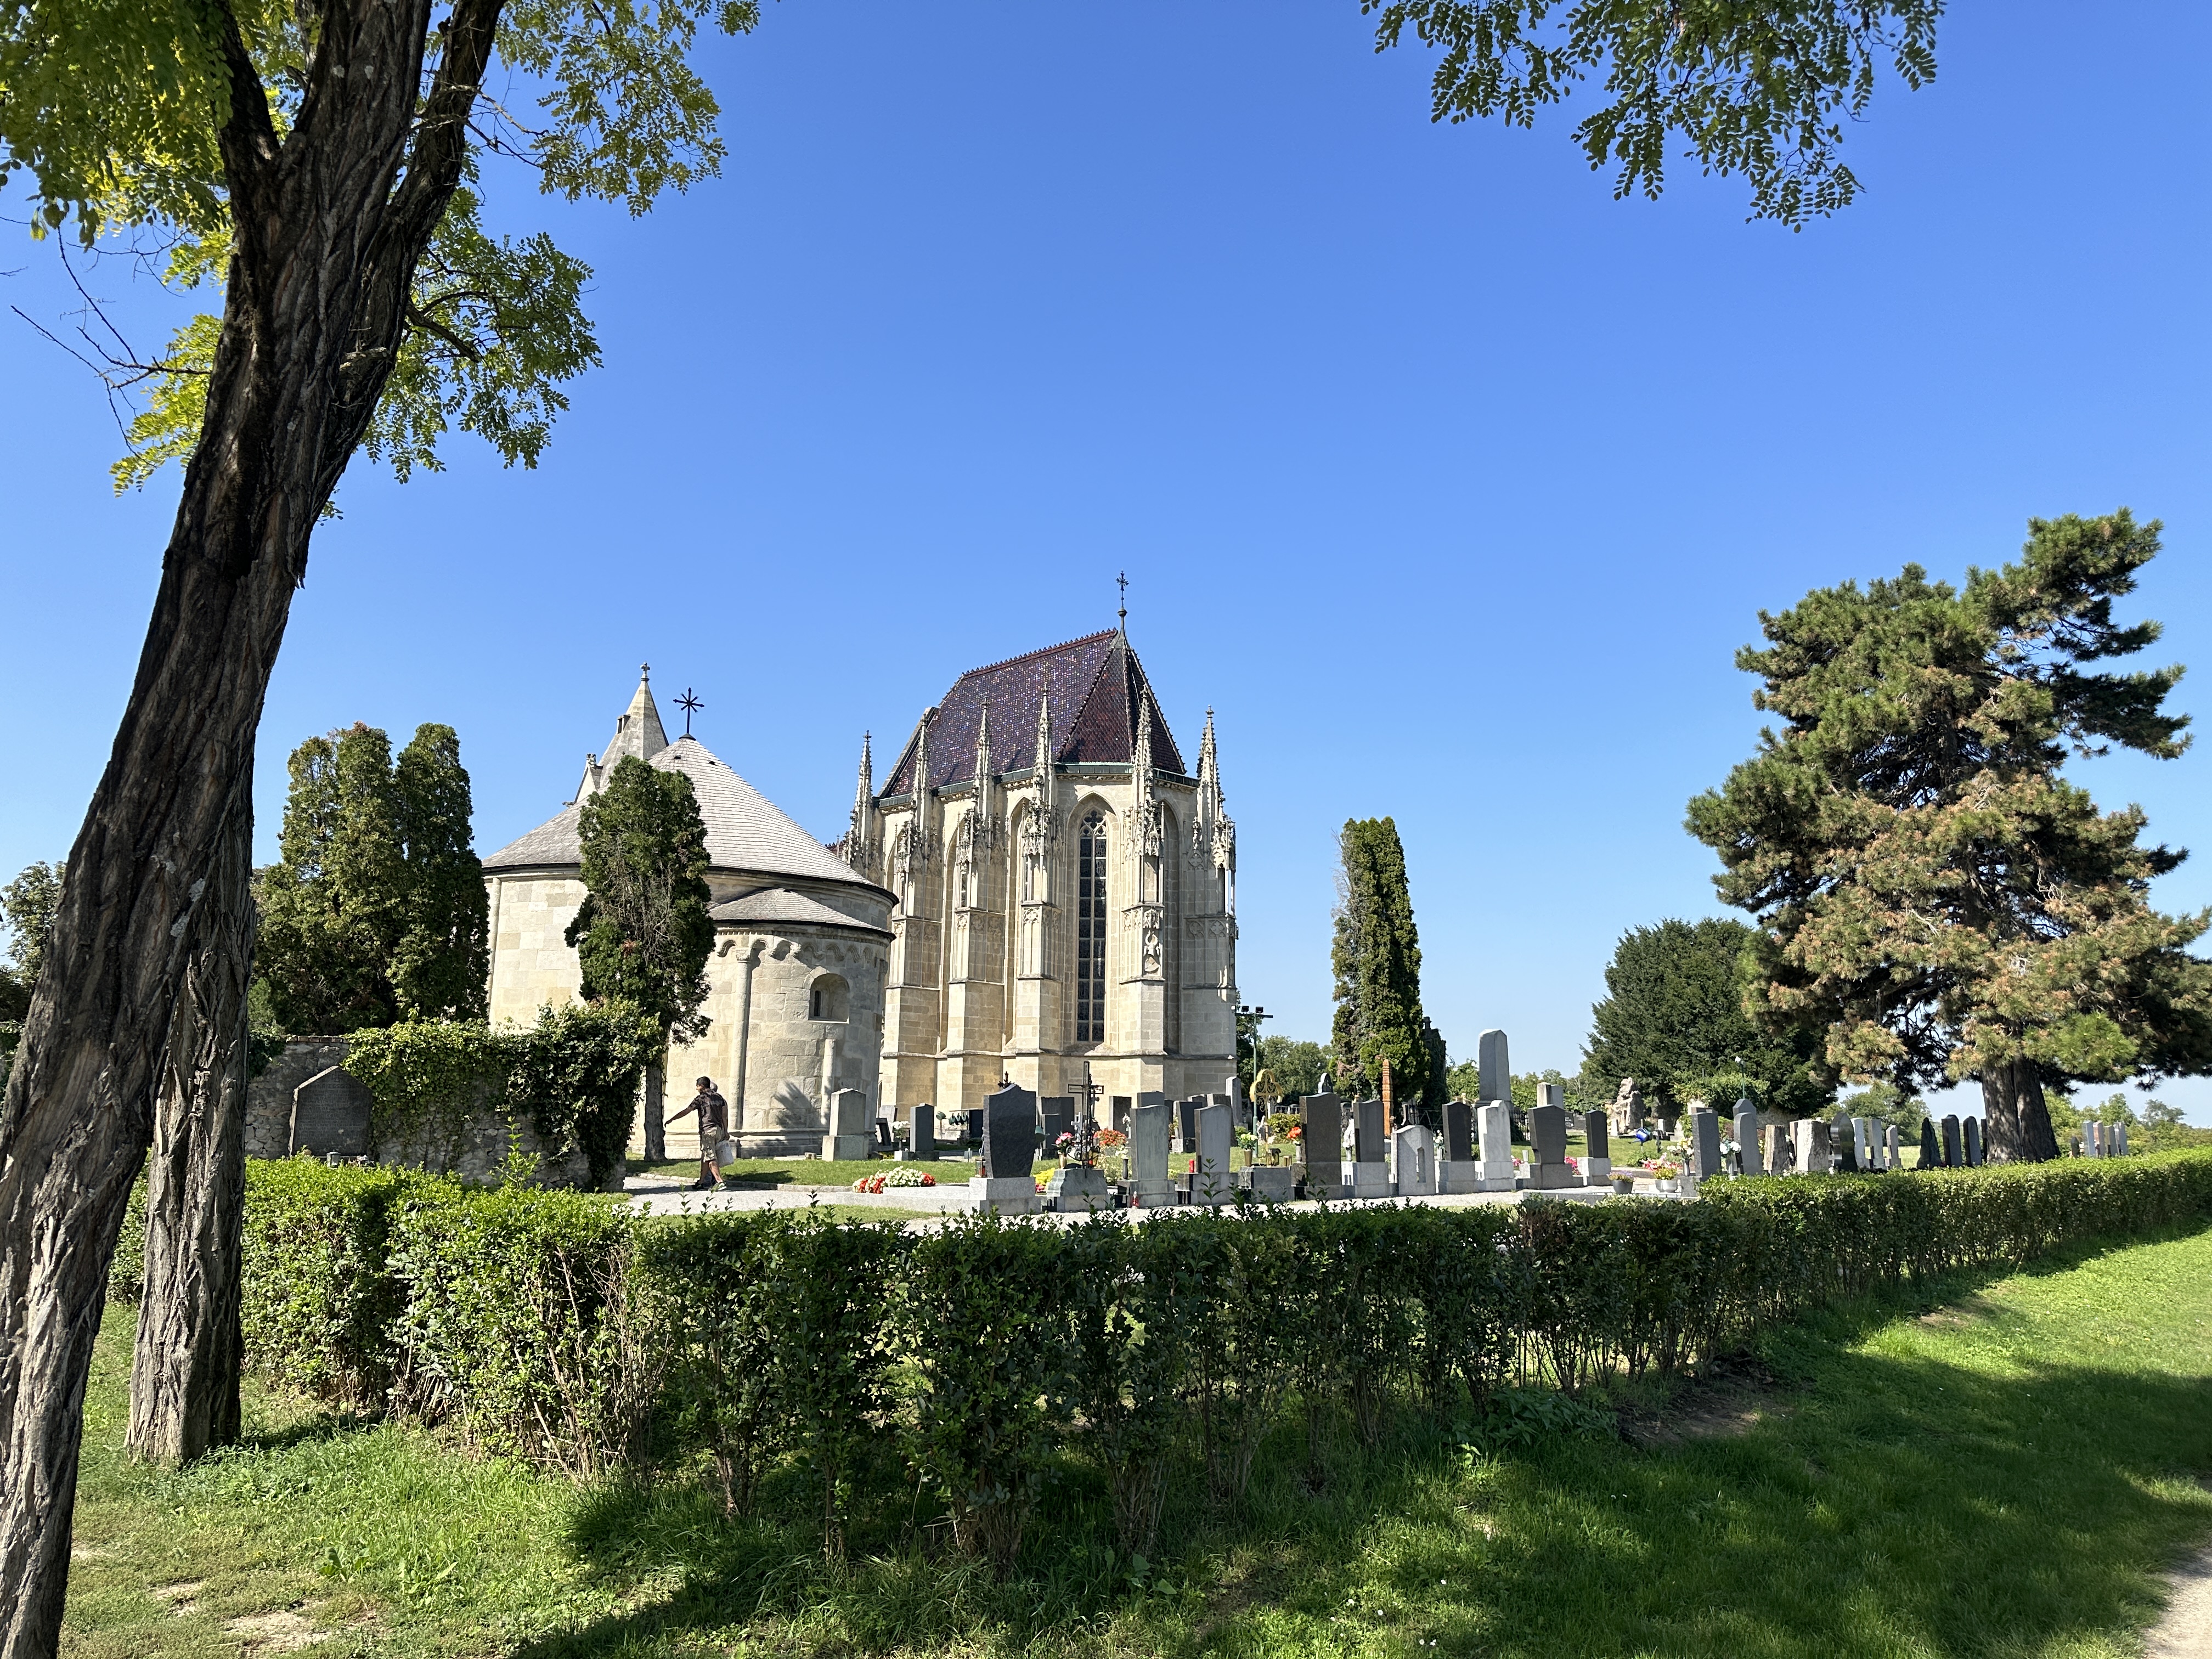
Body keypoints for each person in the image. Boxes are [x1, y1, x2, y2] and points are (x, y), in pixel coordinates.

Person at [667, 1075, 730, 1190]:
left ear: (701, 1086)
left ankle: (719, 1181)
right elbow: (724, 1117)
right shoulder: (720, 1098)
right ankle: (701, 1182)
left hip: (708, 1131)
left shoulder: (701, 1098)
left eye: (697, 1086)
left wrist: (672, 1119)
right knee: (706, 1156)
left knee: (710, 1157)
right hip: (719, 1130)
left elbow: (687, 1110)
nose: (697, 1088)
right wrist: (726, 1131)